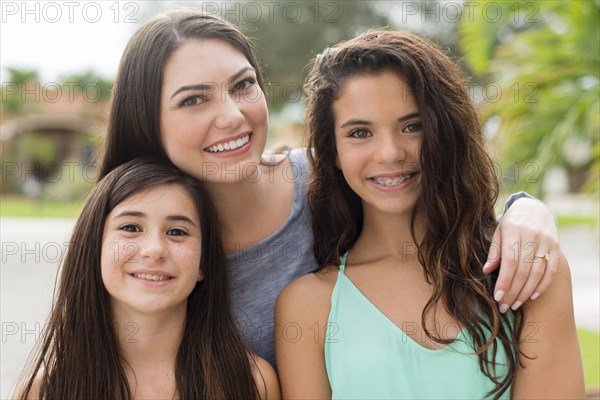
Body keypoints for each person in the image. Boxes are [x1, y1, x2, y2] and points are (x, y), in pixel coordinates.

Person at [98, 9, 561, 366]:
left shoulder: (328, 177)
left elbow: (442, 202)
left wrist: (525, 209)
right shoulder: (141, 242)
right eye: (194, 99)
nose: (233, 116)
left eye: (243, 86)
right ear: (146, 119)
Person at [275, 29, 584, 399]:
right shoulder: (307, 306)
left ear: (444, 130)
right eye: (360, 132)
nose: (390, 153)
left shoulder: (525, 269)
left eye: (412, 126)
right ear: (334, 153)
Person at [15, 157, 279, 399]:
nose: (155, 250)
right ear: (94, 247)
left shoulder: (253, 383)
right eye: (130, 228)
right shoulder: (44, 390)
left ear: (203, 263)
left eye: (177, 232)